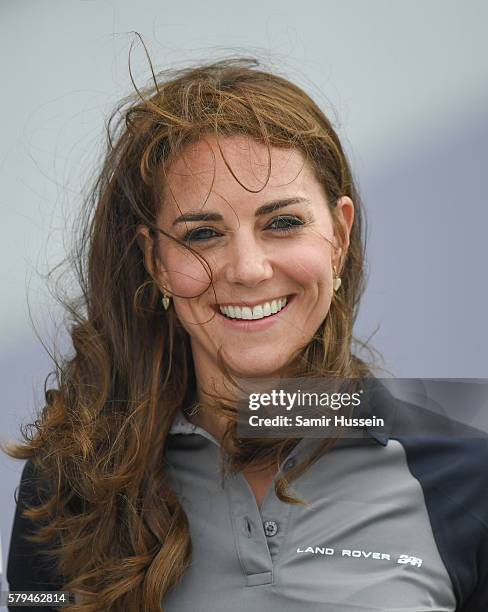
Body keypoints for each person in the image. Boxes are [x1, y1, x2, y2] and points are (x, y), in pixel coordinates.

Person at [5, 57, 488, 612]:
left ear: (339, 236)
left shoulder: (466, 467)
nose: (248, 268)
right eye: (203, 234)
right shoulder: (72, 484)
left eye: (282, 223)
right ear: (155, 261)